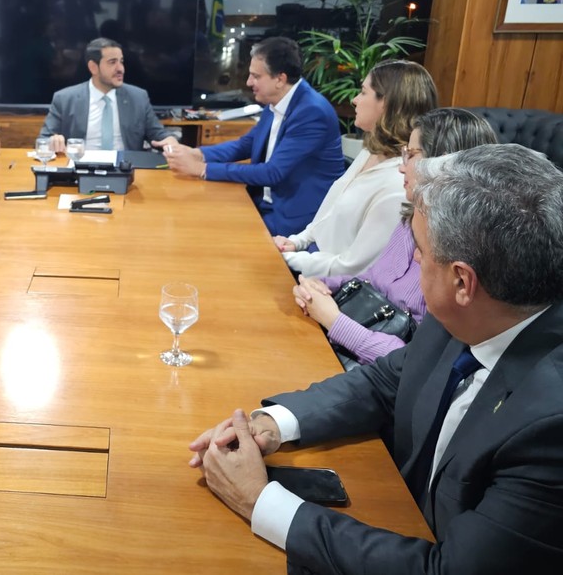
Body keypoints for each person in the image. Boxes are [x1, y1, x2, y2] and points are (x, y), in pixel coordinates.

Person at [189, 144, 563, 572]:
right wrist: (271, 424)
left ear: (463, 280)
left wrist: (260, 502)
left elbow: (444, 569)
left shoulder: (550, 426)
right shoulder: (476, 312)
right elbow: (386, 381)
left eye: (419, 248)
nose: (412, 258)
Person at [293, 108, 498, 365]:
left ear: (443, 162)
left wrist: (334, 320)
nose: (401, 167)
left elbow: (411, 360)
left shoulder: (463, 253)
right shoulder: (412, 214)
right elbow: (372, 279)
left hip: (373, 375)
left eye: (410, 155)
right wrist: (321, 285)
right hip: (350, 347)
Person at [158, 37, 344, 236]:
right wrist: (197, 154)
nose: (248, 82)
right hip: (263, 203)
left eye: (256, 76)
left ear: (280, 79)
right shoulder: (276, 101)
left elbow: (272, 173)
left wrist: (202, 169)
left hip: (294, 220)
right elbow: (245, 145)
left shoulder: (311, 112)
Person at [274, 60, 437, 277]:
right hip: (309, 264)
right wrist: (296, 242)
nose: (354, 100)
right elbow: (328, 215)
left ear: (387, 104)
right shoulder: (371, 150)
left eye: (363, 92)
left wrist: (289, 259)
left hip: (329, 287)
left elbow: (355, 267)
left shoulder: (400, 181)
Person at [39, 37, 178, 153]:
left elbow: (158, 134)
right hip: (80, 169)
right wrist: (52, 142)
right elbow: (42, 141)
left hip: (126, 169)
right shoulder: (64, 99)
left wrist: (169, 139)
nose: (121, 69)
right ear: (93, 67)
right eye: (112, 62)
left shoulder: (138, 97)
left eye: (121, 62)